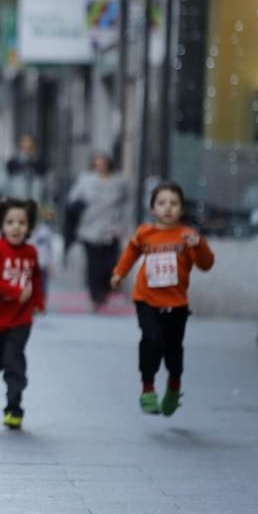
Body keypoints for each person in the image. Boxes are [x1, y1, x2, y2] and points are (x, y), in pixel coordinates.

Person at [110, 181, 214, 416]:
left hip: (176, 304)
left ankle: (174, 386)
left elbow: (206, 264)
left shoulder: (188, 236)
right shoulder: (144, 233)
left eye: (174, 203)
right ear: (152, 208)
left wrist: (200, 246)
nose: (168, 208)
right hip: (147, 299)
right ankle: (147, 388)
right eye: (162, 203)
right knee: (151, 340)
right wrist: (119, 273)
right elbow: (130, 253)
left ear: (182, 209)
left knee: (173, 348)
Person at [0, 198, 44, 430]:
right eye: (10, 222)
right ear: (1, 226)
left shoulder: (31, 252)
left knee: (15, 362)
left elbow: (36, 278)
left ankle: (14, 407)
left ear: (30, 227)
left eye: (22, 222)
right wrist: (13, 292)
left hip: (20, 319)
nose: (16, 227)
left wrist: (38, 302)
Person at [68, 152, 129, 311]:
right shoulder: (86, 180)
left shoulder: (119, 181)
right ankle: (96, 297)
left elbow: (127, 203)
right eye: (98, 162)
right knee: (93, 265)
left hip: (112, 228)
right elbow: (73, 198)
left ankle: (105, 290)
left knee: (109, 264)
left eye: (103, 162)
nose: (101, 165)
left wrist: (124, 225)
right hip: (90, 228)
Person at [0, 133, 47, 202]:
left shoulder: (41, 166)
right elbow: (3, 187)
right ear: (19, 148)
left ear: (35, 148)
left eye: (30, 148)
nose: (27, 152)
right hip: (17, 205)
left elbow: (48, 189)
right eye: (24, 148)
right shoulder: (11, 165)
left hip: (36, 205)